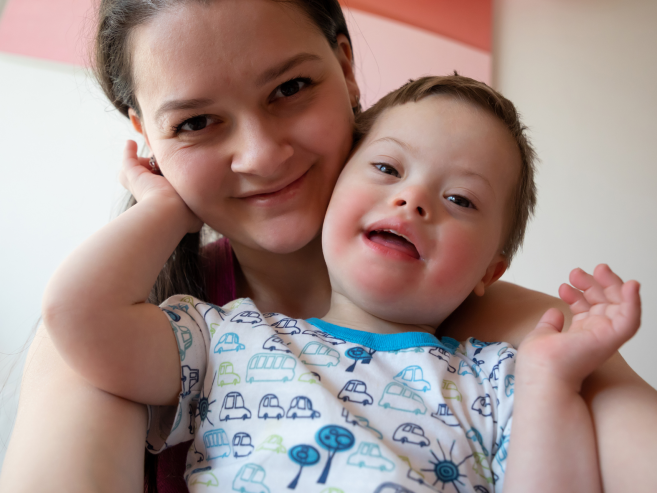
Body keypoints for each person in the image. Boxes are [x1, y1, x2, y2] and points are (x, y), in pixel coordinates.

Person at [0, 0, 655, 492]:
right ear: (146, 135)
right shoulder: (194, 336)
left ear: (345, 68)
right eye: (195, 123)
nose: (260, 155)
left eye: (289, 88)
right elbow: (78, 316)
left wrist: (549, 379)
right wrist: (166, 210)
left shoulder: (519, 352)